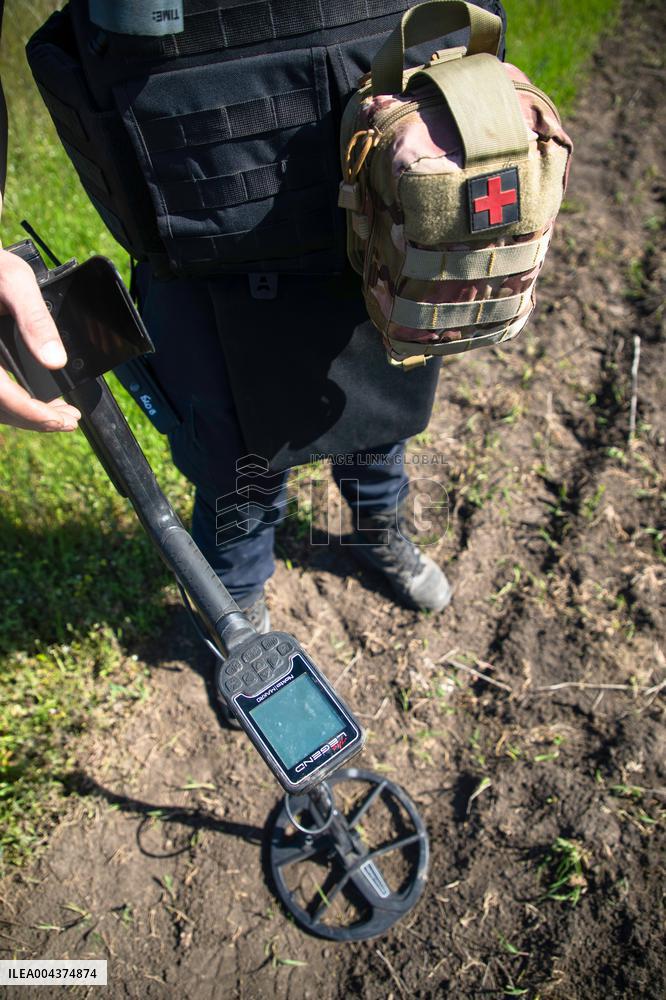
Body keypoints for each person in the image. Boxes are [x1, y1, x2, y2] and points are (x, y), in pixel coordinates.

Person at [0, 0, 506, 633]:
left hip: (385, 205)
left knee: (381, 423)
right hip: (199, 227)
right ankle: (239, 617)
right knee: (236, 471)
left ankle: (380, 531)